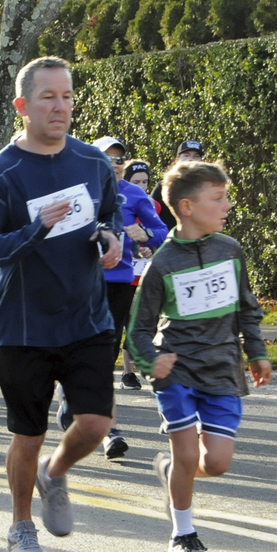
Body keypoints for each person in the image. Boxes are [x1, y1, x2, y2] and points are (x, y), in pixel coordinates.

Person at [0, 55, 124, 552]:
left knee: (96, 424)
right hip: (25, 326)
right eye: (48, 97)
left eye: (67, 96)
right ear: (22, 106)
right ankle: (20, 525)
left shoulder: (93, 163)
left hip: (88, 318)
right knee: (26, 435)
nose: (60, 106)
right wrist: (35, 230)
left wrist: (109, 238)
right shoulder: (1, 172)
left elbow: (108, 214)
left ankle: (56, 473)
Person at [128, 161, 271, 552]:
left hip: (223, 368)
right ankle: (183, 535)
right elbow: (137, 331)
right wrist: (151, 360)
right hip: (178, 372)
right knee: (189, 455)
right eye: (218, 198)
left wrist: (257, 352)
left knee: (217, 463)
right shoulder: (162, 264)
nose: (227, 205)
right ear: (187, 206)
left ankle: (174, 471)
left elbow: (248, 308)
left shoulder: (231, 250)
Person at [91, 137, 168, 460]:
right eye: (107, 158)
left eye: (119, 159)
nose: (114, 164)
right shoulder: (82, 190)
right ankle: (79, 402)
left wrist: (146, 236)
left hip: (120, 283)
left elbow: (163, 232)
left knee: (106, 352)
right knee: (81, 350)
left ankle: (108, 429)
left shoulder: (135, 195)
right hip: (82, 281)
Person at [151, 141, 204, 231]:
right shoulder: (163, 187)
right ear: (177, 159)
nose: (191, 159)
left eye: (196, 156)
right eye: (186, 155)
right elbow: (149, 216)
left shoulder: (206, 188)